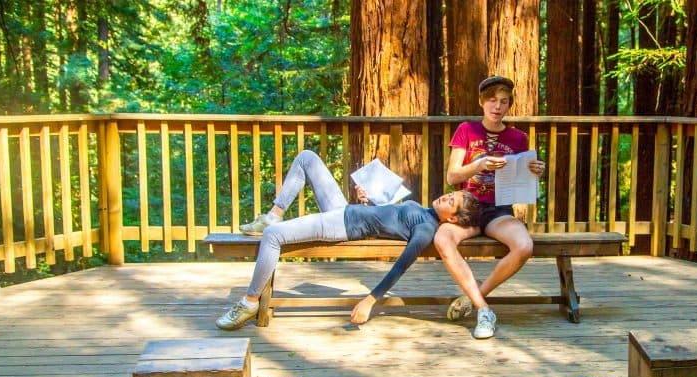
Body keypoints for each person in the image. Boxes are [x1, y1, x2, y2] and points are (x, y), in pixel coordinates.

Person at [216, 150, 480, 330]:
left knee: (272, 237)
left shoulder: (425, 228)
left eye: (451, 201)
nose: (446, 196)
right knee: (307, 157)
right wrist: (370, 201)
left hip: (342, 224)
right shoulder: (424, 211)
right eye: (449, 194)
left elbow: (401, 266)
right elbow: (387, 218)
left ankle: (249, 302)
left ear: (453, 220)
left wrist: (370, 301)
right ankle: (274, 214)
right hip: (346, 209)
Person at [434, 75, 546, 339]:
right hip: (467, 209)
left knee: (525, 246)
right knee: (442, 239)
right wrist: (479, 165)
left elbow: (522, 181)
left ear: (509, 106)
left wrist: (534, 171)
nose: (498, 107)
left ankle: (474, 297)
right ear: (482, 102)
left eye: (504, 102)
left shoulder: (518, 138)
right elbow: (452, 177)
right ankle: (484, 310)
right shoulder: (466, 131)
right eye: (493, 101)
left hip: (499, 210)